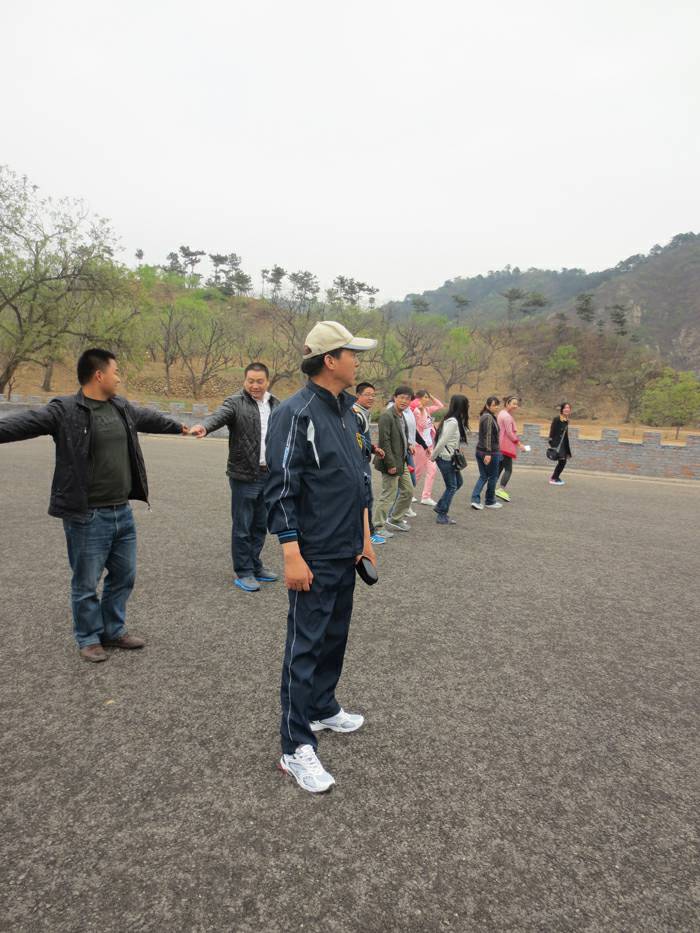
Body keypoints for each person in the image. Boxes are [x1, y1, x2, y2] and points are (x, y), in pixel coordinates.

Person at [0, 348, 189, 662]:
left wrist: (178, 427)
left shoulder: (120, 407)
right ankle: (88, 637)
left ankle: (113, 630)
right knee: (86, 582)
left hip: (122, 511)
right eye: (116, 372)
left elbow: (148, 418)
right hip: (87, 515)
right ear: (99, 375)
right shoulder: (65, 410)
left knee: (124, 576)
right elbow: (24, 423)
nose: (119, 378)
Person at [265, 321, 377, 793]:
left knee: (334, 636)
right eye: (352, 353)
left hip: (346, 548)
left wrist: (366, 538)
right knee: (305, 645)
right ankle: (294, 746)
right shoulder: (295, 413)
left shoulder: (350, 413)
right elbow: (280, 486)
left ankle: (323, 706)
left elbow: (360, 480)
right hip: (312, 552)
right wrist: (291, 552)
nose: (358, 361)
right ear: (330, 360)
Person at [190, 363, 280, 592]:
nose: (254, 385)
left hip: (268, 474)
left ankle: (255, 565)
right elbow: (218, 417)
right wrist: (204, 427)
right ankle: (244, 571)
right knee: (243, 526)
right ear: (244, 380)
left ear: (267, 381)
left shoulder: (275, 404)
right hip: (244, 475)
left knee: (260, 525)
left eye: (259, 381)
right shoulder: (235, 402)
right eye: (250, 381)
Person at [373, 386, 415, 535]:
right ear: (395, 397)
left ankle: (396, 519)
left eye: (408, 398)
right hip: (390, 462)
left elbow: (401, 436)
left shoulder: (401, 415)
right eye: (401, 397)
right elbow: (384, 441)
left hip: (401, 461)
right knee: (388, 495)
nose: (404, 401)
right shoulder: (387, 415)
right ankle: (378, 526)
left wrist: (408, 445)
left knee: (408, 491)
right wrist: (390, 464)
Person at [352, 382, 386, 545]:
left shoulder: (363, 412)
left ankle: (362, 531)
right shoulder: (355, 413)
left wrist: (373, 449)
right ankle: (369, 533)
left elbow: (362, 438)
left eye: (373, 395)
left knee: (362, 498)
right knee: (366, 498)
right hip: (358, 463)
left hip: (361, 460)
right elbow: (355, 439)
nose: (371, 398)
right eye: (367, 394)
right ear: (358, 395)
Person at [430, 394, 470, 524]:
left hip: (449, 457)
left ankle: (440, 506)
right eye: (467, 404)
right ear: (462, 406)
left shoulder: (455, 420)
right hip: (445, 458)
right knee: (452, 486)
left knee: (458, 483)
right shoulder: (452, 422)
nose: (468, 406)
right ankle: (442, 514)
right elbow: (442, 441)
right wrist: (433, 456)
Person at [411, 390, 444, 507]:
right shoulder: (416, 411)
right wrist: (420, 410)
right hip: (420, 446)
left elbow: (440, 405)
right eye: (425, 397)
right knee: (417, 472)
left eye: (428, 397)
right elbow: (421, 425)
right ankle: (408, 493)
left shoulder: (427, 410)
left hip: (429, 445)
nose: (427, 399)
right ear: (419, 398)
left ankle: (426, 497)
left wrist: (432, 396)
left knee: (432, 470)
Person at [471, 396, 503, 510]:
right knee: (493, 476)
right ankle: (490, 501)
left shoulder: (484, 416)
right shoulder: (488, 417)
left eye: (497, 405)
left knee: (483, 476)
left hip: (480, 451)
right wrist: (488, 453)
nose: (496, 407)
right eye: (494, 405)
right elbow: (488, 435)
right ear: (487, 406)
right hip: (490, 452)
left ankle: (475, 499)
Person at [496, 395, 527, 502]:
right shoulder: (507, 417)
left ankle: (491, 490)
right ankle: (500, 489)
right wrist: (519, 444)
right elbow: (509, 433)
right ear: (507, 404)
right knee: (508, 470)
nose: (515, 406)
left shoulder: (501, 413)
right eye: (513, 403)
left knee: (499, 469)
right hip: (506, 446)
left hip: (500, 445)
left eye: (516, 404)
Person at [548, 402, 573, 485]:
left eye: (568, 408)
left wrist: (567, 448)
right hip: (557, 443)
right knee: (562, 461)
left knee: (563, 461)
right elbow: (552, 431)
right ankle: (554, 478)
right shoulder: (557, 419)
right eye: (565, 408)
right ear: (562, 409)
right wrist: (552, 444)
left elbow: (565, 435)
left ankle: (555, 477)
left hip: (563, 444)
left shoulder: (566, 420)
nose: (567, 409)